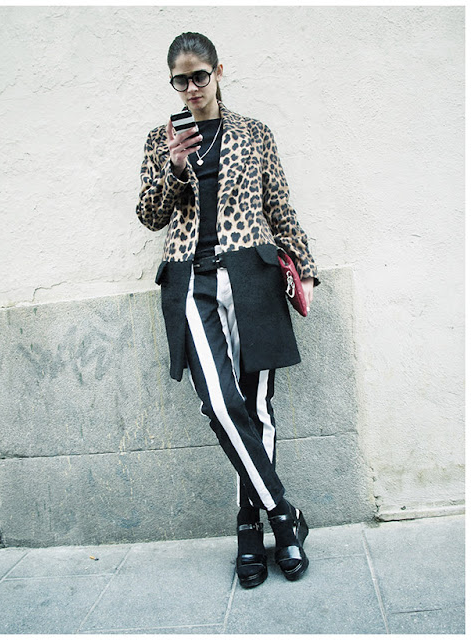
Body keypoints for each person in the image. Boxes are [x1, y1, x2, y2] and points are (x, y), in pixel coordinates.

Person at [136, 32, 320, 588]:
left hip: (253, 276)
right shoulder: (161, 139)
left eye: (200, 75)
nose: (191, 88)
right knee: (219, 403)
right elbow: (150, 215)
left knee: (257, 407)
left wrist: (305, 267)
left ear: (218, 72)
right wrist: (173, 167)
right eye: (180, 80)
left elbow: (279, 205)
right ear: (173, 83)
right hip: (191, 280)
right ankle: (283, 513)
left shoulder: (255, 133)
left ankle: (248, 527)